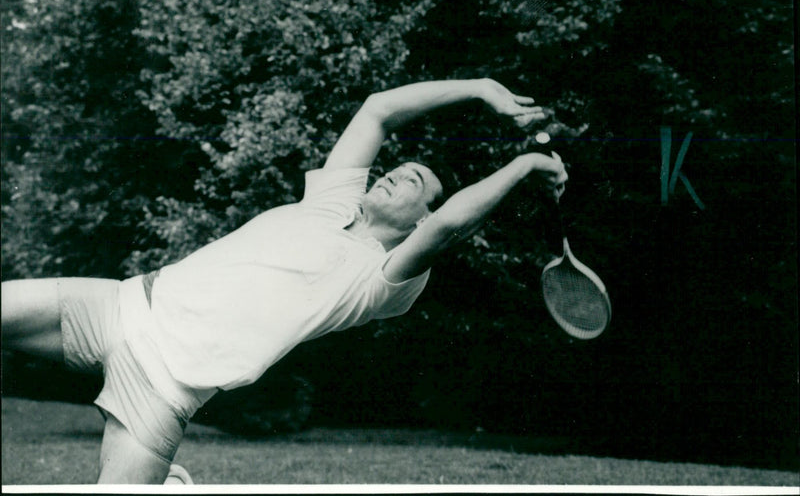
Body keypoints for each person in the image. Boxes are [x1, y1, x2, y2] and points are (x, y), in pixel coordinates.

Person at [1, 77, 567, 484]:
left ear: (418, 219)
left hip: (162, 388)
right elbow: (378, 110)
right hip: (120, 305)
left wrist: (523, 166)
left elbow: (450, 225)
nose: (395, 173)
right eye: (397, 168)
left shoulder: (380, 280)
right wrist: (480, 86)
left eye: (413, 180)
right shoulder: (330, 201)